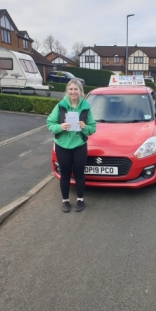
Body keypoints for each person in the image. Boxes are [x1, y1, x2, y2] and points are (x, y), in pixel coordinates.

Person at [46, 78, 96, 213]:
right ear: (67, 91)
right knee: (65, 174)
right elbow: (50, 123)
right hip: (63, 146)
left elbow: (93, 128)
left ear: (80, 91)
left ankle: (80, 199)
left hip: (79, 145)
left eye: (76, 89)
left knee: (79, 174)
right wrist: (60, 127)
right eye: (71, 89)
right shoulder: (60, 106)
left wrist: (85, 127)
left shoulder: (86, 107)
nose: (73, 92)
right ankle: (65, 201)